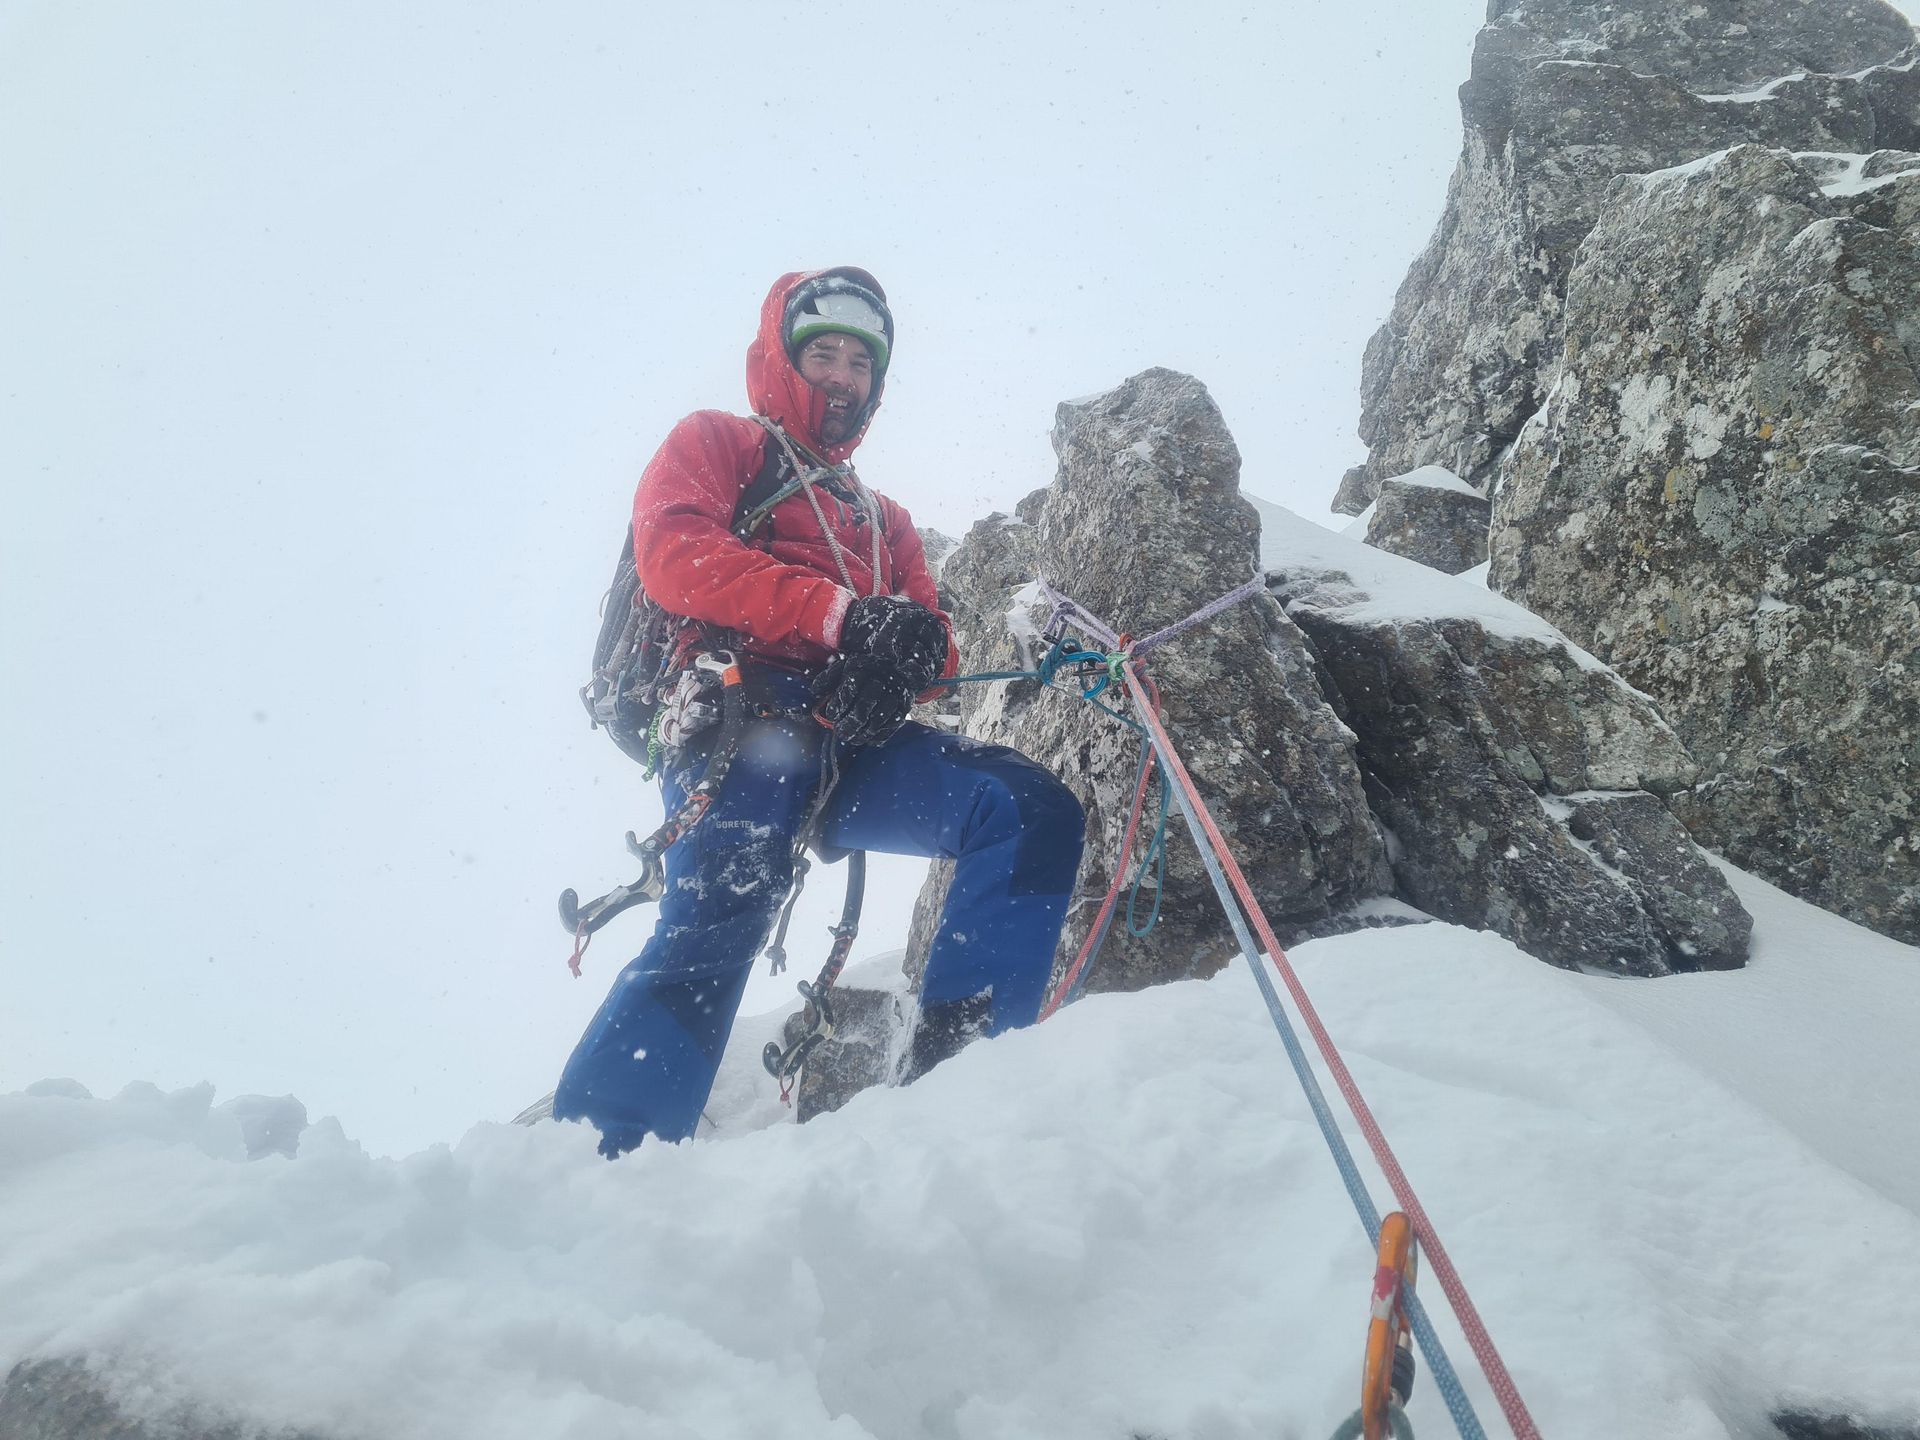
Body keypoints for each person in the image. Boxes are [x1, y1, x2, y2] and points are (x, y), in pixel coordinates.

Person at [553, 268, 1086, 1157]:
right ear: (781, 359)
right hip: (736, 715)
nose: (843, 376)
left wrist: (900, 667)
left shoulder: (886, 522)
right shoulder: (721, 442)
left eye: (860, 363)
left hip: (845, 739)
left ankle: (963, 1097)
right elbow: (677, 554)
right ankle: (608, 1158)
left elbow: (932, 635)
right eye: (823, 354)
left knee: (1028, 810)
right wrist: (841, 619)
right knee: (729, 901)